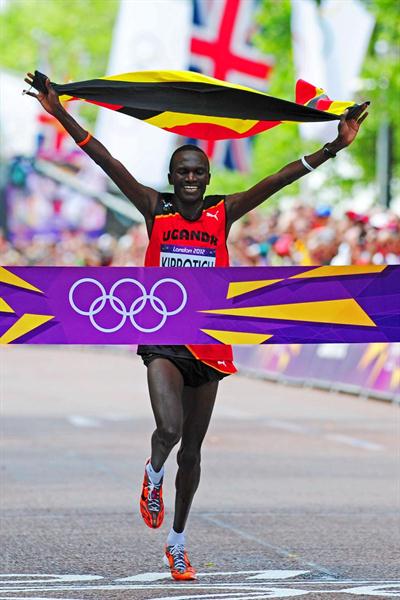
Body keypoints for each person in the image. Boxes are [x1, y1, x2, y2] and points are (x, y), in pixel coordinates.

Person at [24, 72, 368, 581]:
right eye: (182, 171)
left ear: (207, 179)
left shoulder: (221, 213)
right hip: (162, 336)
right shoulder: (153, 208)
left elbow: (277, 180)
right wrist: (60, 112)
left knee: (194, 450)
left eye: (197, 172)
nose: (189, 178)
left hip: (209, 342)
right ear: (172, 175)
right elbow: (107, 161)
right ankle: (150, 472)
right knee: (168, 430)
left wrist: (333, 147)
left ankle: (178, 541)